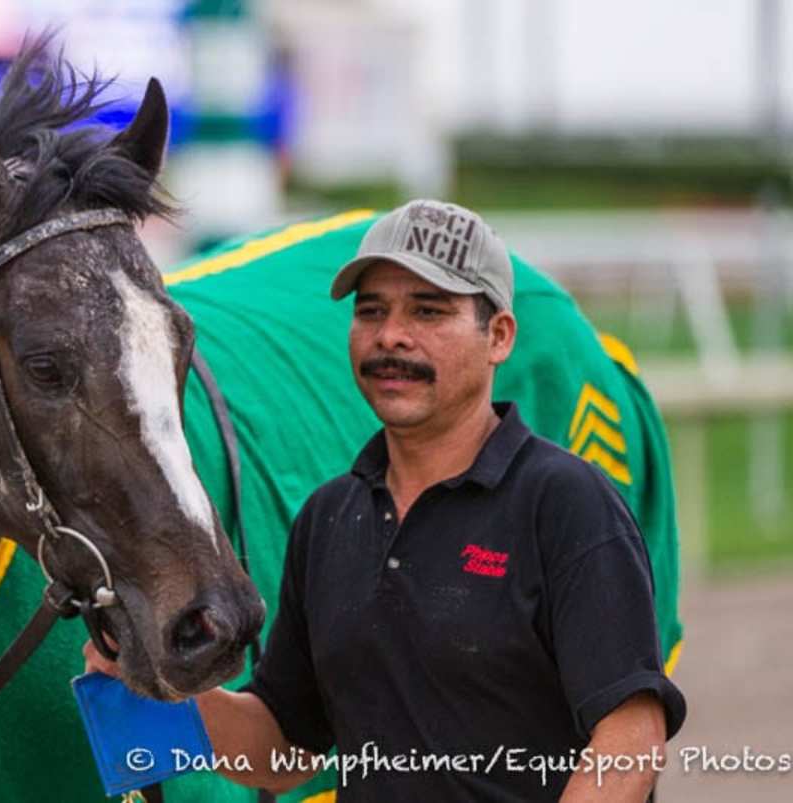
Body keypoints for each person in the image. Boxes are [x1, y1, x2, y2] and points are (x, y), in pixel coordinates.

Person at [88, 199, 686, 801]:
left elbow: (631, 736)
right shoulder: (328, 519)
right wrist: (153, 691)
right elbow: (285, 749)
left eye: (429, 311)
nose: (391, 336)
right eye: (371, 311)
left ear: (499, 336)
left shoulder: (565, 503)